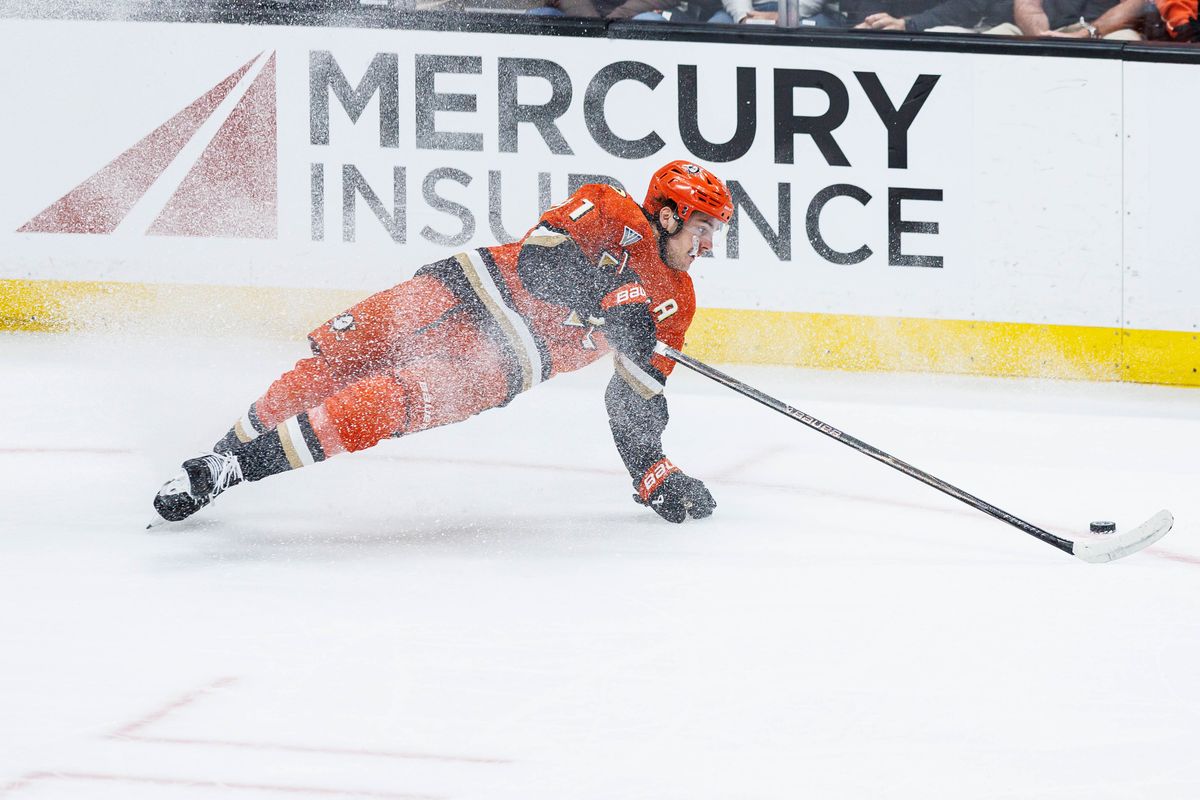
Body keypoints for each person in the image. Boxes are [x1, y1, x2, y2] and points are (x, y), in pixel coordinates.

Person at [151, 161, 735, 527]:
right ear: (667, 215)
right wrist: (611, 299)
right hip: (464, 288)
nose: (707, 245)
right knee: (334, 364)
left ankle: (232, 470)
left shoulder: (676, 305)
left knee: (375, 405)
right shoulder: (609, 207)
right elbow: (538, 263)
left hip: (499, 362)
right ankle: (212, 462)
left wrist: (653, 470)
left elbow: (633, 399)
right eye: (702, 228)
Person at [985, 0, 1144, 37]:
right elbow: (1027, 5)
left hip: (1102, 33)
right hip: (1046, 31)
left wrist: (1085, 34)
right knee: (997, 35)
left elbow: (1135, 4)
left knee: (1126, 37)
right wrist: (1042, 36)